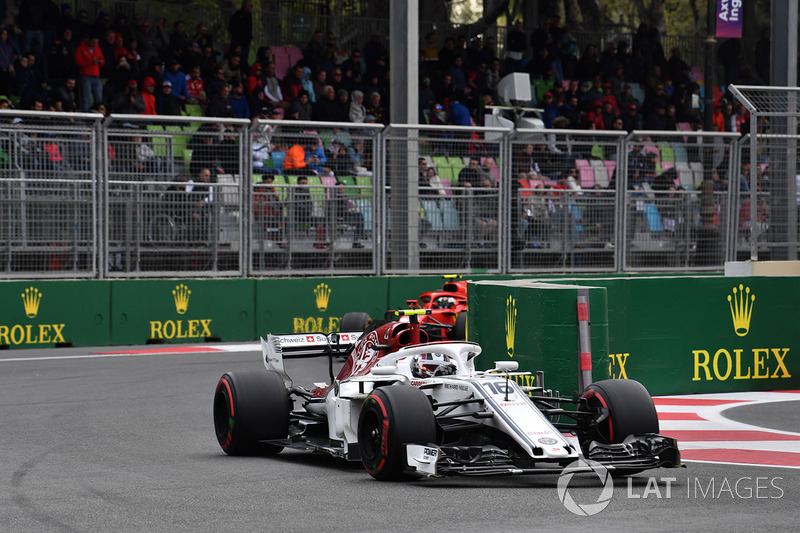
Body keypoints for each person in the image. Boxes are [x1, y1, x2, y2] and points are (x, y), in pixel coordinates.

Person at [327, 180, 366, 247]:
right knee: (360, 220)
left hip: (346, 215)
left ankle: (358, 238)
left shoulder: (345, 197)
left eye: (342, 188)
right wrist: (349, 211)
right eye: (340, 188)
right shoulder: (335, 198)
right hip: (340, 218)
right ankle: (358, 238)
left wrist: (351, 210)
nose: (341, 189)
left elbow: (349, 207)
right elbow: (340, 210)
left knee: (360, 216)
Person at [74, 34, 105, 112]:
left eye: (96, 43)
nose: (95, 44)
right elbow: (78, 62)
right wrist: (91, 62)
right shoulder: (81, 48)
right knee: (86, 99)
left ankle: (98, 118)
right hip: (85, 76)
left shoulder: (97, 49)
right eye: (93, 42)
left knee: (99, 99)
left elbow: (103, 61)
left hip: (96, 76)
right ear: (89, 41)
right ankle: (86, 118)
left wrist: (100, 61)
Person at [228, 0, 253, 66]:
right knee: (238, 60)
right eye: (250, 6)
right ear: (245, 6)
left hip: (246, 43)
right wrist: (237, 44)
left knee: (244, 60)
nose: (251, 8)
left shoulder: (248, 16)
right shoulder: (238, 16)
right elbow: (233, 30)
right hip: (239, 44)